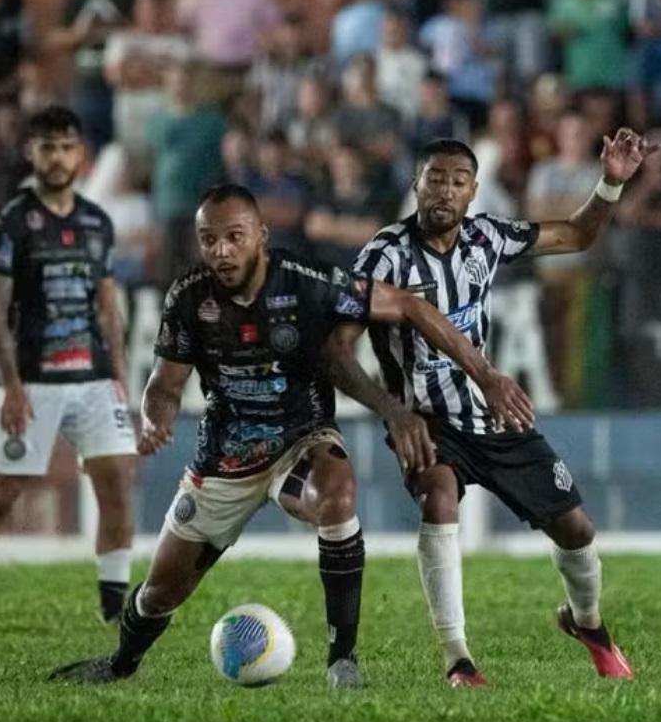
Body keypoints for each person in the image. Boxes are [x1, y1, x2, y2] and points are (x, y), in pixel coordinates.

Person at [47, 183, 532, 687]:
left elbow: (409, 306)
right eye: (209, 239)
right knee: (158, 595)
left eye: (234, 236)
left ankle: (342, 660)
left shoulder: (308, 282)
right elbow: (165, 385)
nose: (222, 250)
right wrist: (156, 418)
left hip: (300, 442)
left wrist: (483, 376)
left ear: (262, 236)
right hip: (224, 461)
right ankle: (121, 663)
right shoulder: (189, 297)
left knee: (337, 493)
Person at [337, 132, 656, 685]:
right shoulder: (384, 255)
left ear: (474, 192)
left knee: (576, 530)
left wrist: (611, 182)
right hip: (428, 422)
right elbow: (339, 343)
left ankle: (589, 625)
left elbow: (578, 233)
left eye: (458, 182)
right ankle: (458, 660)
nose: (445, 191)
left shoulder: (487, 238)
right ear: (416, 183)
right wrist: (392, 410)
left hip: (494, 415)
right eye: (434, 178)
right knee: (439, 497)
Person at [0, 105, 137, 627]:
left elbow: (107, 309)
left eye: (67, 146)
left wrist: (118, 379)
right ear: (31, 153)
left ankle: (114, 613)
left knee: (116, 486)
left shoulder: (98, 223)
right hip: (33, 381)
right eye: (47, 146)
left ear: (81, 154)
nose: (57, 156)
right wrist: (11, 386)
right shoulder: (10, 223)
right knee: (0, 496)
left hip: (95, 381)